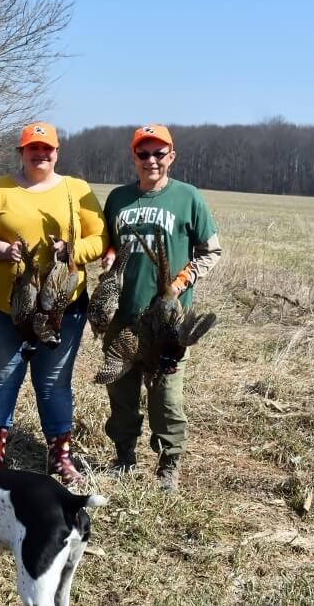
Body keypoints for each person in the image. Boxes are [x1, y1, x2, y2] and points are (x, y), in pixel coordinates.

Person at [0, 122, 108, 485]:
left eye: (47, 148)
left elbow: (101, 237)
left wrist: (72, 250)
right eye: (33, 148)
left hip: (62, 307)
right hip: (3, 305)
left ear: (57, 152)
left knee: (54, 382)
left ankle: (60, 456)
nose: (40, 154)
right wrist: (2, 249)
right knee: (1, 377)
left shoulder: (76, 190)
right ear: (21, 152)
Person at [100, 124, 222, 493]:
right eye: (143, 153)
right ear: (133, 156)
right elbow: (109, 243)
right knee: (121, 393)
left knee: (166, 399)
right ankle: (124, 457)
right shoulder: (118, 199)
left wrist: (181, 282)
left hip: (168, 325)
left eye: (159, 153)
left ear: (171, 156)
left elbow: (211, 251)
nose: (151, 160)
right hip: (123, 318)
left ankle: (169, 465)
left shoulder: (188, 197)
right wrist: (109, 260)